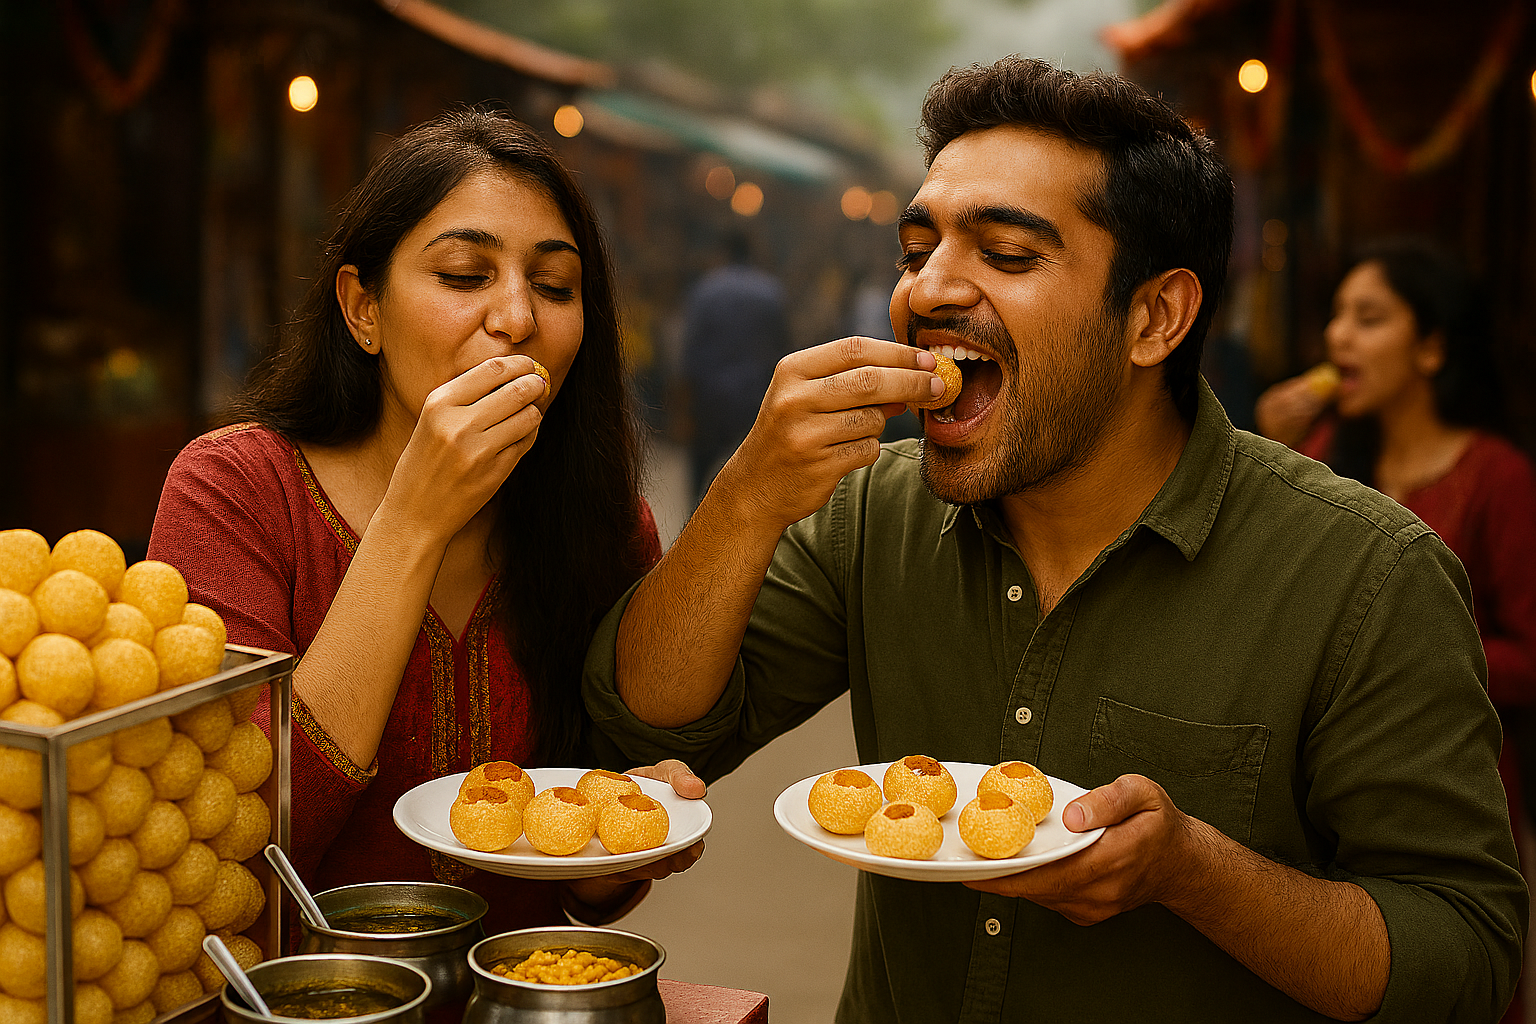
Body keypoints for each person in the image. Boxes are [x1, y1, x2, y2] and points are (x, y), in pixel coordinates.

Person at [582, 58, 1527, 1022]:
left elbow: (1464, 958)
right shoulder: (875, 514)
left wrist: (1195, 872)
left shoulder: (1368, 575)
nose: (932, 289)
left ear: (1155, 317)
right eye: (917, 250)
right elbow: (649, 729)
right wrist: (745, 496)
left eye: (1008, 253)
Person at [147, 111, 702, 954]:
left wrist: (614, 850)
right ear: (362, 308)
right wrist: (415, 520)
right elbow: (231, 853)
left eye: (554, 288)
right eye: (462, 274)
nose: (516, 317)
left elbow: (581, 889)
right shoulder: (233, 491)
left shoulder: (606, 524)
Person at [1256, 240, 1536, 1024]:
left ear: (1432, 348)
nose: (1339, 337)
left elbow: (1531, 653)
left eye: (1369, 318)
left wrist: (1413, 661)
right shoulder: (1318, 460)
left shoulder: (1497, 478)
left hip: (1450, 777)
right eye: (1337, 316)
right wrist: (1267, 452)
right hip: (1318, 783)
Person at [678, 228, 790, 501]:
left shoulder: (705, 289)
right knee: (746, 477)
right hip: (753, 403)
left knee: (701, 477)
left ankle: (698, 532)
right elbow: (782, 351)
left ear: (722, 253)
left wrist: (683, 407)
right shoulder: (771, 293)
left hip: (709, 401)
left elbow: (690, 351)